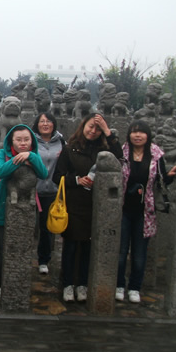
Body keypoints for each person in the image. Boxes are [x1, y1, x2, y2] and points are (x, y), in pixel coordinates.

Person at [53, 113, 122, 302]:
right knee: (71, 246)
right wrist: (76, 180)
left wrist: (107, 131)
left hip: (96, 204)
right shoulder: (70, 149)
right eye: (91, 126)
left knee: (87, 247)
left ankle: (82, 284)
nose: (93, 131)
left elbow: (119, 159)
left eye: (98, 129)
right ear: (83, 126)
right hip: (74, 204)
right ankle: (68, 284)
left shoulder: (104, 150)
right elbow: (57, 176)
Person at [116, 121, 176, 303]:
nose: (137, 135)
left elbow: (161, 180)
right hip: (123, 209)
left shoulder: (156, 154)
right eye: (134, 132)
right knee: (120, 251)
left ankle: (134, 287)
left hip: (145, 212)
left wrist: (171, 175)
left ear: (148, 135)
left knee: (139, 253)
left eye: (141, 132)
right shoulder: (122, 153)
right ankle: (119, 284)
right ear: (129, 134)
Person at [0, 124, 48, 285]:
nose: (23, 143)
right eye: (19, 140)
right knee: (4, 248)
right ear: (11, 141)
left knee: (22, 247)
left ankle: (17, 282)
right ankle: (1, 283)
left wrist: (31, 156)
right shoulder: (3, 153)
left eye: (26, 139)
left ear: (32, 141)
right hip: (4, 205)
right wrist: (19, 161)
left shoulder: (33, 155)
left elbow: (43, 173)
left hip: (26, 206)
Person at [31, 113, 64, 275]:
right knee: (26, 225)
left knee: (46, 229)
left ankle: (43, 260)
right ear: (37, 124)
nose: (45, 124)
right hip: (32, 189)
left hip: (52, 190)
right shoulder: (31, 141)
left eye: (48, 121)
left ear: (54, 124)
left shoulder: (61, 142)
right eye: (42, 121)